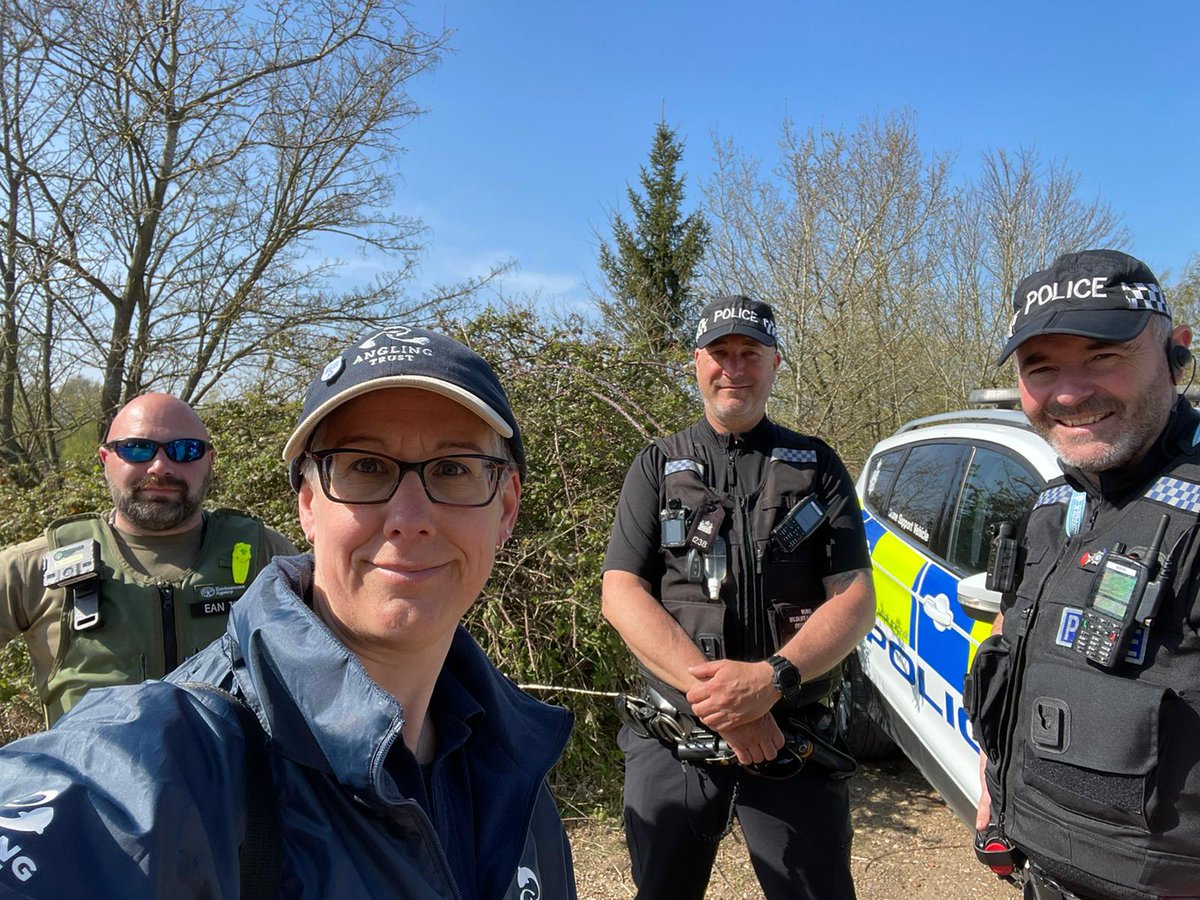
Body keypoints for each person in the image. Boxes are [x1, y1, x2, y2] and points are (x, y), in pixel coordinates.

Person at [0, 326, 577, 899]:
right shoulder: (173, 762)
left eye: (453, 468)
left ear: (506, 507)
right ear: (308, 505)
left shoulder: (516, 770)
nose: (409, 517)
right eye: (365, 466)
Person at [601, 295, 877, 900]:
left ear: (775, 363)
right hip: (677, 731)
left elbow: (854, 598)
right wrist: (727, 702)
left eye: (749, 353)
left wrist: (771, 681)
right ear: (696, 362)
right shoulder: (655, 464)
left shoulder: (818, 465)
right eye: (719, 353)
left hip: (792, 734)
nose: (734, 367)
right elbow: (621, 593)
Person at [968, 249, 1200, 899]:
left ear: (1174, 351)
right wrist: (994, 780)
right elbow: (1016, 648)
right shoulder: (1053, 506)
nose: (1070, 393)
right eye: (1041, 367)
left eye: (1104, 356)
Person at [0, 392, 296, 725]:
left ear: (210, 460)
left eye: (186, 450)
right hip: (92, 776)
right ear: (105, 459)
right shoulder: (34, 567)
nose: (160, 467)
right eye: (137, 449)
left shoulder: (268, 555)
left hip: (237, 775)